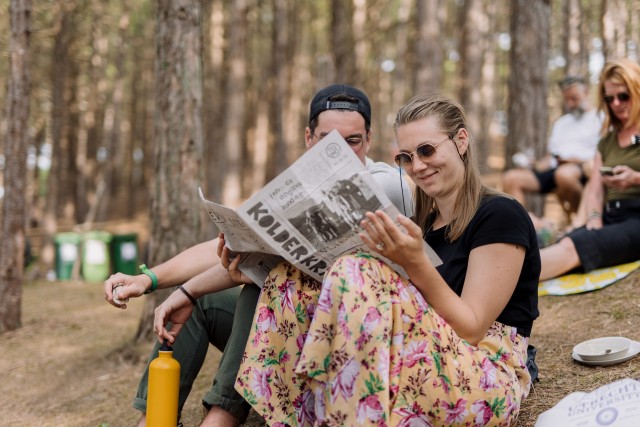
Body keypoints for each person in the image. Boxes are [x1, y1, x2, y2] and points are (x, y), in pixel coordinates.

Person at [104, 84, 413, 426]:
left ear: (369, 139)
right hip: (287, 338)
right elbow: (229, 247)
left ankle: (221, 417)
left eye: (352, 141)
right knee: (203, 304)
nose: (338, 151)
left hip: (346, 343)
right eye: (327, 140)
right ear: (309, 138)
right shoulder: (297, 186)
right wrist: (149, 279)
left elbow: (272, 263)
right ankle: (154, 420)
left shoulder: (384, 184)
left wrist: (188, 288)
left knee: (265, 287)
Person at [232, 94, 541, 425]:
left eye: (427, 150)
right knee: (289, 277)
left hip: (482, 375)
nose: (418, 166)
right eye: (406, 157)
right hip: (420, 357)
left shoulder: (500, 214)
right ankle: (305, 414)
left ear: (461, 141)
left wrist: (413, 263)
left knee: (356, 269)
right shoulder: (421, 224)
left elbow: (472, 328)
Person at [540, 59, 640, 281]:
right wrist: (594, 218)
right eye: (609, 98)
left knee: (572, 247)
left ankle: (493, 285)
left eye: (623, 96)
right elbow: (594, 191)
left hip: (637, 218)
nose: (616, 103)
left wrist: (635, 179)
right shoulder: (606, 141)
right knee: (567, 240)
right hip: (611, 215)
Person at [502, 76, 602, 220]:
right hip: (555, 170)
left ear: (586, 92)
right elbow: (550, 158)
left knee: (564, 175)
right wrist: (534, 165)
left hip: (583, 169)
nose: (570, 103)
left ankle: (581, 220)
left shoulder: (600, 118)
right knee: (510, 178)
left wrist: (577, 160)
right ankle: (525, 227)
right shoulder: (561, 123)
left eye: (574, 98)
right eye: (567, 99)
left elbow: (605, 153)